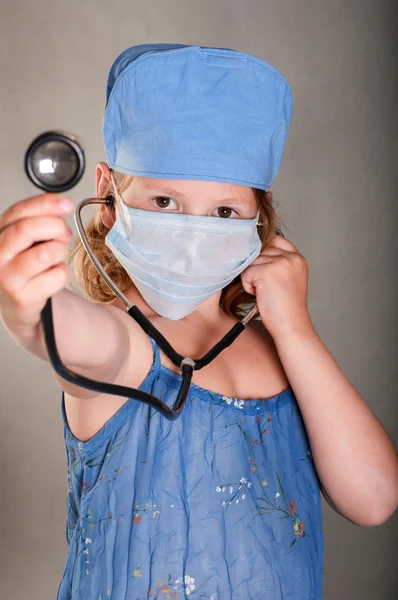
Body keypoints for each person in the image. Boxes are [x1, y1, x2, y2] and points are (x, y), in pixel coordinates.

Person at [0, 44, 397, 600]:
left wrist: (296, 329)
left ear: (260, 220)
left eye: (224, 213)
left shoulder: (279, 347)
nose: (192, 233)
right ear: (107, 195)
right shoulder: (122, 341)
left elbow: (374, 499)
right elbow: (60, 331)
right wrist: (26, 306)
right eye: (165, 200)